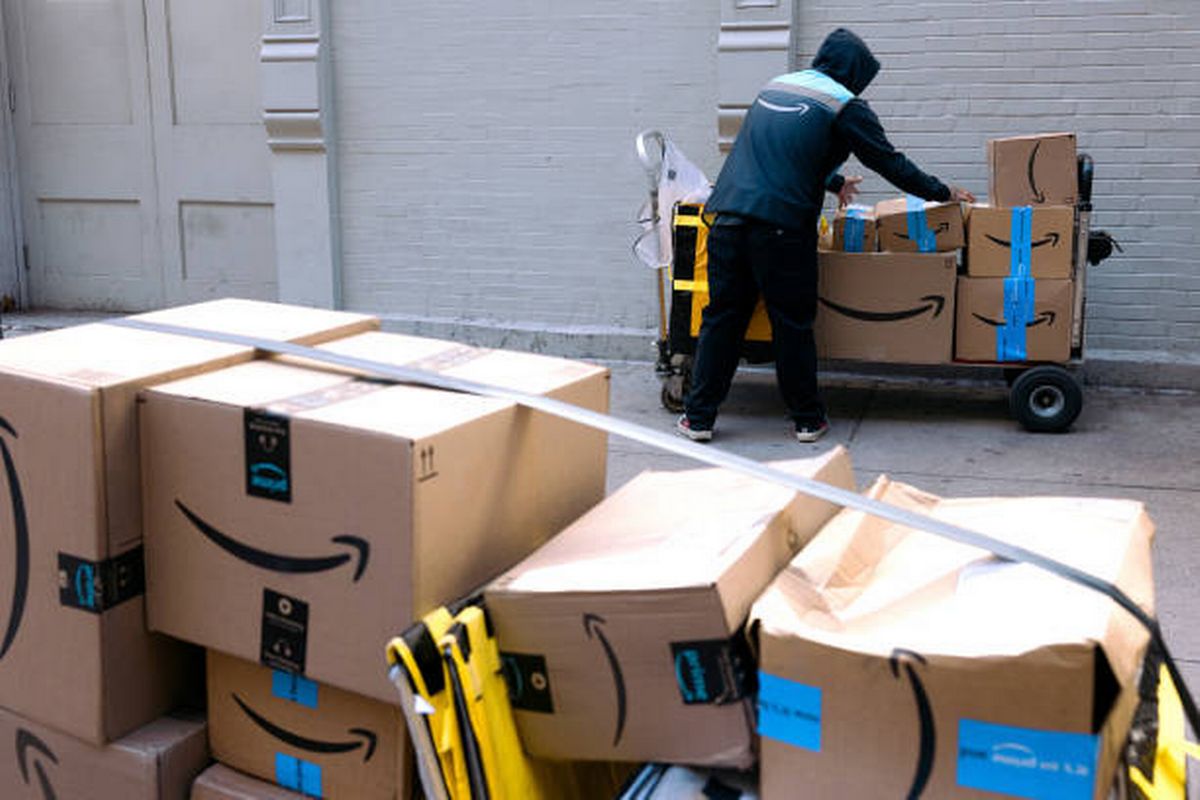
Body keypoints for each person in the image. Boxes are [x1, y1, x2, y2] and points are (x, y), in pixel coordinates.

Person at [677, 27, 975, 444]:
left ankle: (698, 417)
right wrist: (943, 192)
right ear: (855, 73)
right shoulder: (845, 105)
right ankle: (806, 419)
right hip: (780, 227)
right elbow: (889, 162)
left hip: (726, 217)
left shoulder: (777, 86)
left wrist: (832, 182)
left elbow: (775, 152)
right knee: (792, 322)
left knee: (723, 318)